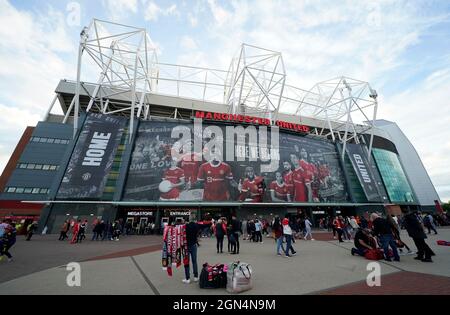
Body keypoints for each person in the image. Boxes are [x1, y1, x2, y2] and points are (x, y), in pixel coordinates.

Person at [183, 216, 201, 284]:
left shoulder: (186, 226)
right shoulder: (196, 226)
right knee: (194, 261)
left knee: (186, 262)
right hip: (194, 245)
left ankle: (187, 278)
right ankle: (196, 277)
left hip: (186, 246)